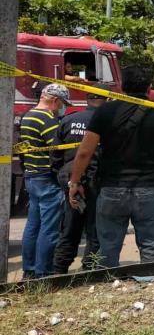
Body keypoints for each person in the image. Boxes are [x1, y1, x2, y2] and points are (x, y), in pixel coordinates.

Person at [68, 67, 154, 268]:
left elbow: (85, 152)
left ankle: (109, 289)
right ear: (149, 88)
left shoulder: (105, 112)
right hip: (149, 188)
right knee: (150, 246)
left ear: (122, 87)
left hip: (111, 188)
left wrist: (74, 182)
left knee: (107, 247)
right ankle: (150, 286)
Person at [50, 84, 108, 274]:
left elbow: (55, 157)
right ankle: (90, 269)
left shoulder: (69, 120)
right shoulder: (109, 122)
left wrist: (67, 180)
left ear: (87, 99)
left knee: (69, 228)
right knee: (95, 228)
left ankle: (59, 272)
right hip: (96, 181)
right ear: (106, 100)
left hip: (71, 181)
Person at [20, 83, 71, 278]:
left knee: (33, 225)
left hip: (31, 176)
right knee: (49, 229)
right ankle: (44, 273)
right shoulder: (47, 119)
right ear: (55, 100)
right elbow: (56, 150)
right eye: (62, 104)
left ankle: (30, 270)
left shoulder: (28, 115)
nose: (61, 108)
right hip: (46, 178)